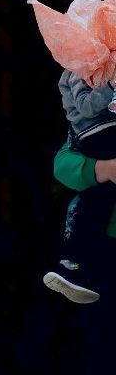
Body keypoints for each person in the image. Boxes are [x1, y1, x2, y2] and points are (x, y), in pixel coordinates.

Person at [53, 131, 116, 375]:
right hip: (104, 250)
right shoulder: (99, 119)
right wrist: (105, 168)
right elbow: (65, 163)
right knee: (104, 356)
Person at [43, 70, 116, 304]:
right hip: (106, 243)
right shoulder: (82, 72)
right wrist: (105, 169)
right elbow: (63, 165)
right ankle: (73, 265)